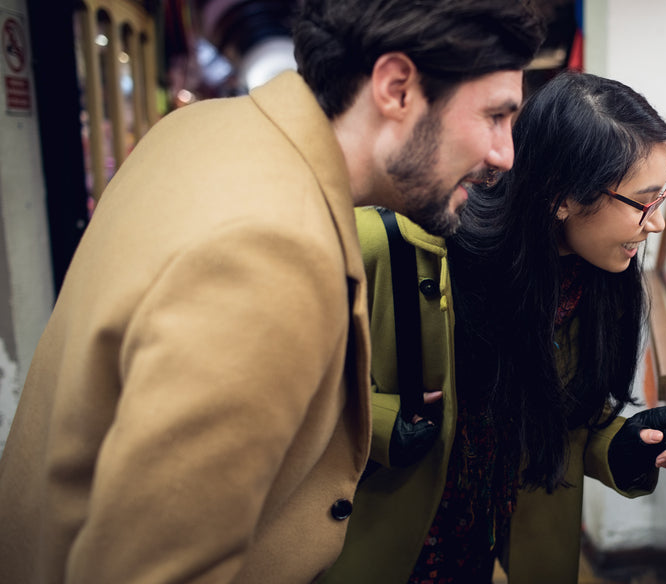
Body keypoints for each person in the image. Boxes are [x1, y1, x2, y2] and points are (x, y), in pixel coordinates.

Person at [0, 1, 545, 582]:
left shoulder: (203, 127)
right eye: (495, 115)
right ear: (396, 88)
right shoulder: (275, 248)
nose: (504, 154)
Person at [324, 71, 666, 584]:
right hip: (382, 537)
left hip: (476, 541)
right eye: (643, 201)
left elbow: (557, 417)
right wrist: (379, 425)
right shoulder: (394, 248)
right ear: (561, 196)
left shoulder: (588, 281)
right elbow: (283, 390)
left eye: (662, 194)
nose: (656, 222)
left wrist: (624, 441)